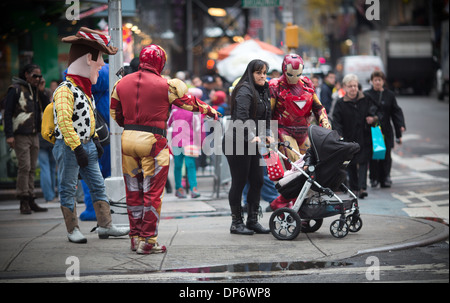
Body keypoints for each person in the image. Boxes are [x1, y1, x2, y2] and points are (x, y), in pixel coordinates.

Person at [110, 44, 220, 254]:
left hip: (128, 139)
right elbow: (188, 103)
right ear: (160, 62)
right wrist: (210, 110)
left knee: (133, 190)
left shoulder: (121, 83)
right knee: (152, 193)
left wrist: (131, 127)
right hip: (153, 141)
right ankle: (148, 241)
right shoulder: (166, 85)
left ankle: (134, 238)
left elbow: (115, 113)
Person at [52, 27, 129, 244]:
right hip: (69, 147)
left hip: (87, 146)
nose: (103, 65)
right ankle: (72, 229)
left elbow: (89, 119)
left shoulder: (85, 91)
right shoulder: (65, 90)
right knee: (67, 187)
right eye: (100, 59)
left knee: (97, 185)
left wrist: (94, 140)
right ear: (88, 58)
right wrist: (77, 148)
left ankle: (106, 226)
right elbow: (65, 123)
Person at [267, 54, 331, 211]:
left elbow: (317, 106)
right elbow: (268, 113)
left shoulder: (306, 83)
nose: (294, 78)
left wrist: (324, 121)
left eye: (298, 74)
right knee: (298, 169)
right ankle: (295, 205)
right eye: (290, 74)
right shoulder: (275, 85)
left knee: (310, 168)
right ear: (284, 69)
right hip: (284, 131)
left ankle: (283, 202)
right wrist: (268, 135)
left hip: (304, 131)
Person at [222, 59, 274, 235]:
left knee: (258, 180)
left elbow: (267, 114)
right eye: (259, 73)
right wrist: (252, 136)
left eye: (265, 73)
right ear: (251, 73)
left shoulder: (263, 89)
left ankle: (252, 221)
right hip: (236, 140)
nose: (262, 76)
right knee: (239, 181)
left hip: (253, 141)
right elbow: (241, 116)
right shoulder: (244, 90)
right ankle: (236, 223)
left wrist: (268, 132)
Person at [4, 63, 49, 214]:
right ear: (27, 75)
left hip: (33, 134)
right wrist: (9, 135)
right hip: (20, 134)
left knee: (31, 168)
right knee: (24, 167)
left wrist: (41, 91)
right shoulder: (15, 89)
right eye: (35, 76)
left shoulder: (35, 91)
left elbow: (47, 107)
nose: (38, 79)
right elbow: (7, 113)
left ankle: (30, 198)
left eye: (40, 76)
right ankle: (23, 200)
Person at [332, 74, 379, 198]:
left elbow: (376, 112)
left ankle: (362, 187)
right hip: (348, 138)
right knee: (351, 164)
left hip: (364, 136)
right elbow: (336, 122)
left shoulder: (366, 99)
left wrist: (373, 118)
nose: (353, 88)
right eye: (350, 86)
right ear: (345, 88)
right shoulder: (340, 103)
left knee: (363, 162)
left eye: (355, 86)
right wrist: (339, 136)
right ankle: (354, 188)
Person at [364, 70, 406, 188]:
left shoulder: (389, 95)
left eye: (380, 80)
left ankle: (386, 177)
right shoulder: (367, 95)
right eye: (375, 80)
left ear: (383, 81)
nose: (377, 82)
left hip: (386, 129)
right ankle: (374, 178)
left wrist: (400, 127)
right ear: (371, 81)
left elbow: (396, 112)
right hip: (372, 130)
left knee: (386, 154)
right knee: (374, 155)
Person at [168, 89, 203, 199]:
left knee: (187, 164)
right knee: (184, 165)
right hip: (181, 140)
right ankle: (185, 188)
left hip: (187, 140)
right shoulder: (176, 107)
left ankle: (189, 188)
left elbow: (198, 125)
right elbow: (170, 122)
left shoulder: (180, 107)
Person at [38, 78, 59, 203]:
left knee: (46, 167)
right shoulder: (59, 100)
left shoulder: (39, 100)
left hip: (42, 136)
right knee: (51, 167)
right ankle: (52, 194)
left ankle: (49, 195)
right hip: (53, 137)